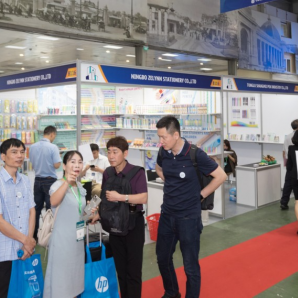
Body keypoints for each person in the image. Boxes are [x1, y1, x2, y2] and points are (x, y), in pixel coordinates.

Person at [155, 116, 227, 298]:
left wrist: (200, 195)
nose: (160, 141)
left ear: (176, 135)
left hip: (188, 218)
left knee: (190, 266)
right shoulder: (163, 152)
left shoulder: (196, 154)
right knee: (163, 258)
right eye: (159, 137)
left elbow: (221, 176)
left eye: (164, 137)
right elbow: (158, 167)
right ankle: (172, 292)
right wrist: (168, 179)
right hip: (167, 214)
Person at [90, 136, 147, 298]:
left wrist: (121, 197)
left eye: (115, 152)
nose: (111, 156)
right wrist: (96, 212)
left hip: (133, 226)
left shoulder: (137, 172)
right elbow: (103, 197)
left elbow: (143, 198)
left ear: (125, 153)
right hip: (115, 227)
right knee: (120, 270)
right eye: (109, 152)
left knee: (133, 272)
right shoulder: (108, 173)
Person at [0, 138, 36, 298]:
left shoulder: (25, 180)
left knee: (24, 291)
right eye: (14, 152)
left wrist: (29, 239)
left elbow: (32, 211)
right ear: (3, 156)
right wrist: (26, 241)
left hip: (24, 248)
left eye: (21, 152)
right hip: (5, 249)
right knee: (2, 292)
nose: (19, 156)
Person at [44, 150, 86, 298]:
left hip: (77, 242)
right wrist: (67, 181)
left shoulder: (80, 188)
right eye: (72, 162)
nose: (77, 165)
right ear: (64, 166)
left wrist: (91, 213)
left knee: (73, 281)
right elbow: (53, 202)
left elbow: (80, 213)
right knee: (61, 282)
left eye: (80, 162)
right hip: (62, 243)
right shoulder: (58, 185)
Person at [29, 125, 61, 239]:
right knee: (50, 208)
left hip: (37, 180)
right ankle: (49, 235)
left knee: (36, 209)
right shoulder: (53, 147)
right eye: (54, 136)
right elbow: (57, 165)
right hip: (50, 181)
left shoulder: (32, 147)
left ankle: (34, 235)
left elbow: (32, 163)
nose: (54, 138)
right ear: (52, 134)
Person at [281, 119, 298, 210]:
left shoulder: (288, 137)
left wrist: (286, 163)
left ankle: (284, 202)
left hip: (290, 163)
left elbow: (284, 152)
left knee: (288, 184)